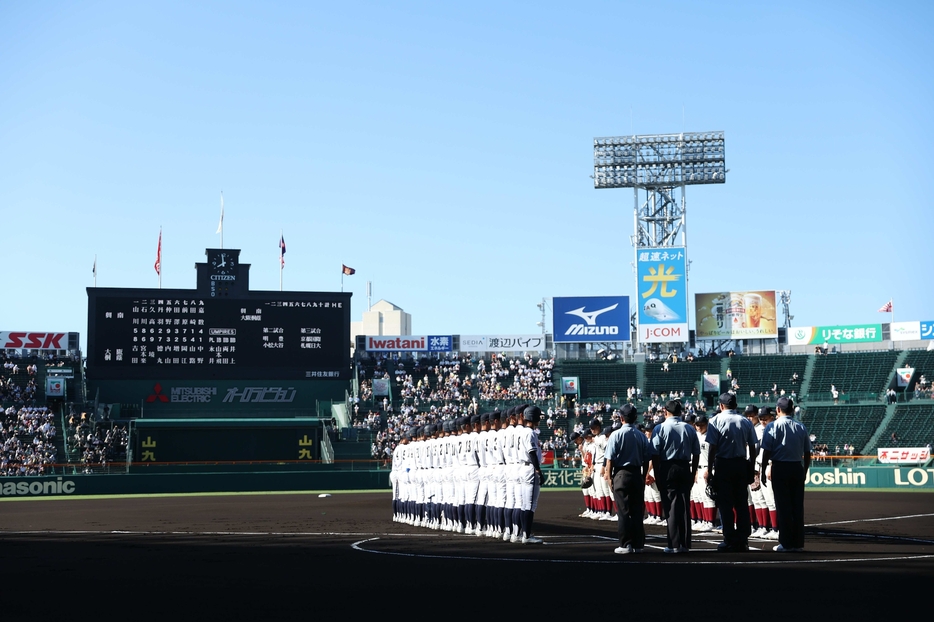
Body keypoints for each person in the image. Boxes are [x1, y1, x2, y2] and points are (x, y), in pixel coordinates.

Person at [705, 393, 758, 552]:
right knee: (741, 503)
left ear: (721, 406)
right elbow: (753, 447)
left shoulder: (715, 420)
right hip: (741, 463)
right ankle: (743, 540)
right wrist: (751, 466)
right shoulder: (745, 421)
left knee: (725, 504)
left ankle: (729, 539)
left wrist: (709, 468)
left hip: (723, 464)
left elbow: (712, 447)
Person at [760, 397, 811, 552]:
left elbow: (766, 451)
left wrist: (762, 470)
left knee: (783, 507)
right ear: (792, 409)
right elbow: (807, 452)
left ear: (777, 410)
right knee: (797, 507)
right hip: (796, 467)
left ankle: (786, 543)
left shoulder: (772, 427)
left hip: (780, 468)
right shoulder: (800, 426)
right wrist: (805, 471)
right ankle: (797, 543)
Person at [651, 399, 700, 553]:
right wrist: (692, 473)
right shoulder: (689, 428)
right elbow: (696, 453)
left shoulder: (660, 428)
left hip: (667, 467)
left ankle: (673, 544)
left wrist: (657, 474)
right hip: (685, 466)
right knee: (685, 505)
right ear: (681, 412)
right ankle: (685, 544)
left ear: (666, 411)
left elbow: (655, 453)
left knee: (670, 505)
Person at [603, 404, 652, 554]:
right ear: (635, 418)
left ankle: (625, 544)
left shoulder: (616, 435)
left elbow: (610, 459)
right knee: (637, 511)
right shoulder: (641, 435)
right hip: (637, 473)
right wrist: (643, 476)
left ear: (621, 418)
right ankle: (638, 544)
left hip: (621, 474)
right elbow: (646, 459)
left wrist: (609, 477)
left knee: (623, 511)